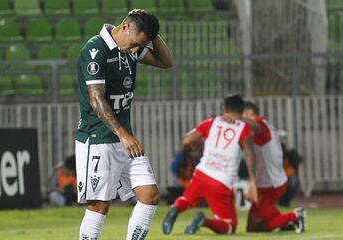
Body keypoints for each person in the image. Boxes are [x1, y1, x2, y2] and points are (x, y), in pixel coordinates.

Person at [75, 9, 173, 240]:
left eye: (142, 45)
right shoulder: (95, 49)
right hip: (99, 138)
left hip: (124, 139)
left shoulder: (131, 49)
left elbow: (166, 62)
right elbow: (96, 99)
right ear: (126, 27)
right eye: (137, 44)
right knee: (99, 205)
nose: (137, 50)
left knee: (150, 195)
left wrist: (152, 33)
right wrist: (122, 134)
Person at [162, 94, 258, 235]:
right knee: (230, 225)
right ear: (242, 110)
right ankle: (204, 221)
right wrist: (253, 181)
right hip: (222, 180)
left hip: (202, 173)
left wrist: (195, 146)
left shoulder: (212, 122)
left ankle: (175, 209)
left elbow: (186, 141)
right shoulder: (244, 128)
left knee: (187, 199)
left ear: (224, 108)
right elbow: (249, 153)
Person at [241, 101, 306, 233]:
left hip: (270, 185)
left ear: (250, 113)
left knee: (253, 228)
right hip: (268, 183)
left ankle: (295, 215)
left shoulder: (261, 124)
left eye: (241, 113)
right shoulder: (260, 128)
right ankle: (284, 223)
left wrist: (237, 117)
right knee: (255, 224)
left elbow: (256, 127)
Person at [278, 130, 302, 207]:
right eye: (280, 138)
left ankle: (285, 201)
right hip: (276, 177)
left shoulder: (291, 152)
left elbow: (297, 162)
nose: (282, 140)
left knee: (293, 182)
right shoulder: (272, 152)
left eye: (283, 138)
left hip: (287, 176)